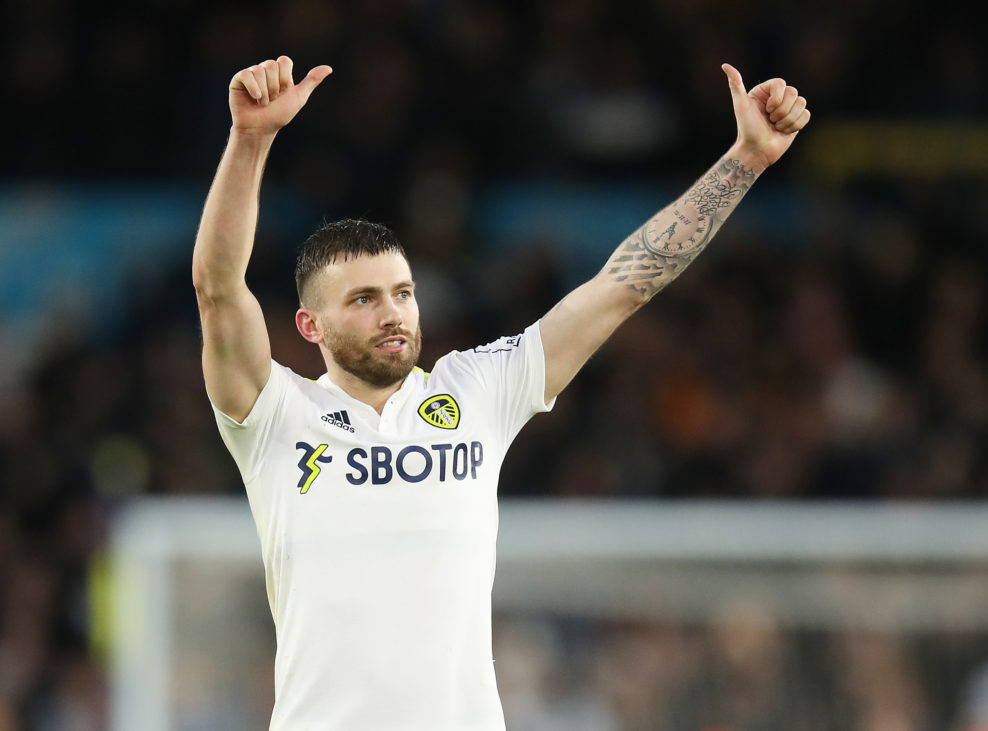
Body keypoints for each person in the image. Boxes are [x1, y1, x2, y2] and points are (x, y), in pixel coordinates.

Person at [192, 55, 809, 730]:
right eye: (364, 299)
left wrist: (744, 161)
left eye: (403, 293)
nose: (393, 312)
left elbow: (622, 285)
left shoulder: (477, 390)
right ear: (309, 324)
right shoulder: (277, 414)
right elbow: (219, 289)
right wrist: (250, 142)